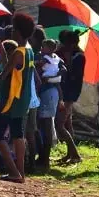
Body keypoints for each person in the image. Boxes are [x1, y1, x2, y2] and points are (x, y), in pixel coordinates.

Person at [0, 14, 36, 183]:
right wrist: (3, 52)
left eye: (13, 28)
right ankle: (21, 173)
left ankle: (13, 171)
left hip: (10, 100)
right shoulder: (29, 51)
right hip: (22, 100)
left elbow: (4, 74)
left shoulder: (18, 52)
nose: (11, 31)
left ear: (18, 31)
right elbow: (12, 67)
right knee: (18, 134)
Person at [56, 30, 85, 164]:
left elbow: (74, 76)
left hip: (70, 94)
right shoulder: (66, 54)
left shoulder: (79, 57)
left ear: (72, 44)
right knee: (68, 124)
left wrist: (67, 62)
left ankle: (75, 154)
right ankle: (70, 154)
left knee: (59, 124)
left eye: (65, 43)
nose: (63, 45)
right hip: (65, 92)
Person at [35, 39, 61, 170]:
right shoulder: (56, 58)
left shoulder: (45, 58)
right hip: (50, 89)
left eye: (44, 47)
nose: (42, 49)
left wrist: (33, 63)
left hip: (48, 89)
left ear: (50, 49)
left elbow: (38, 65)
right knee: (46, 124)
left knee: (47, 124)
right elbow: (63, 69)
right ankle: (43, 157)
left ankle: (45, 160)